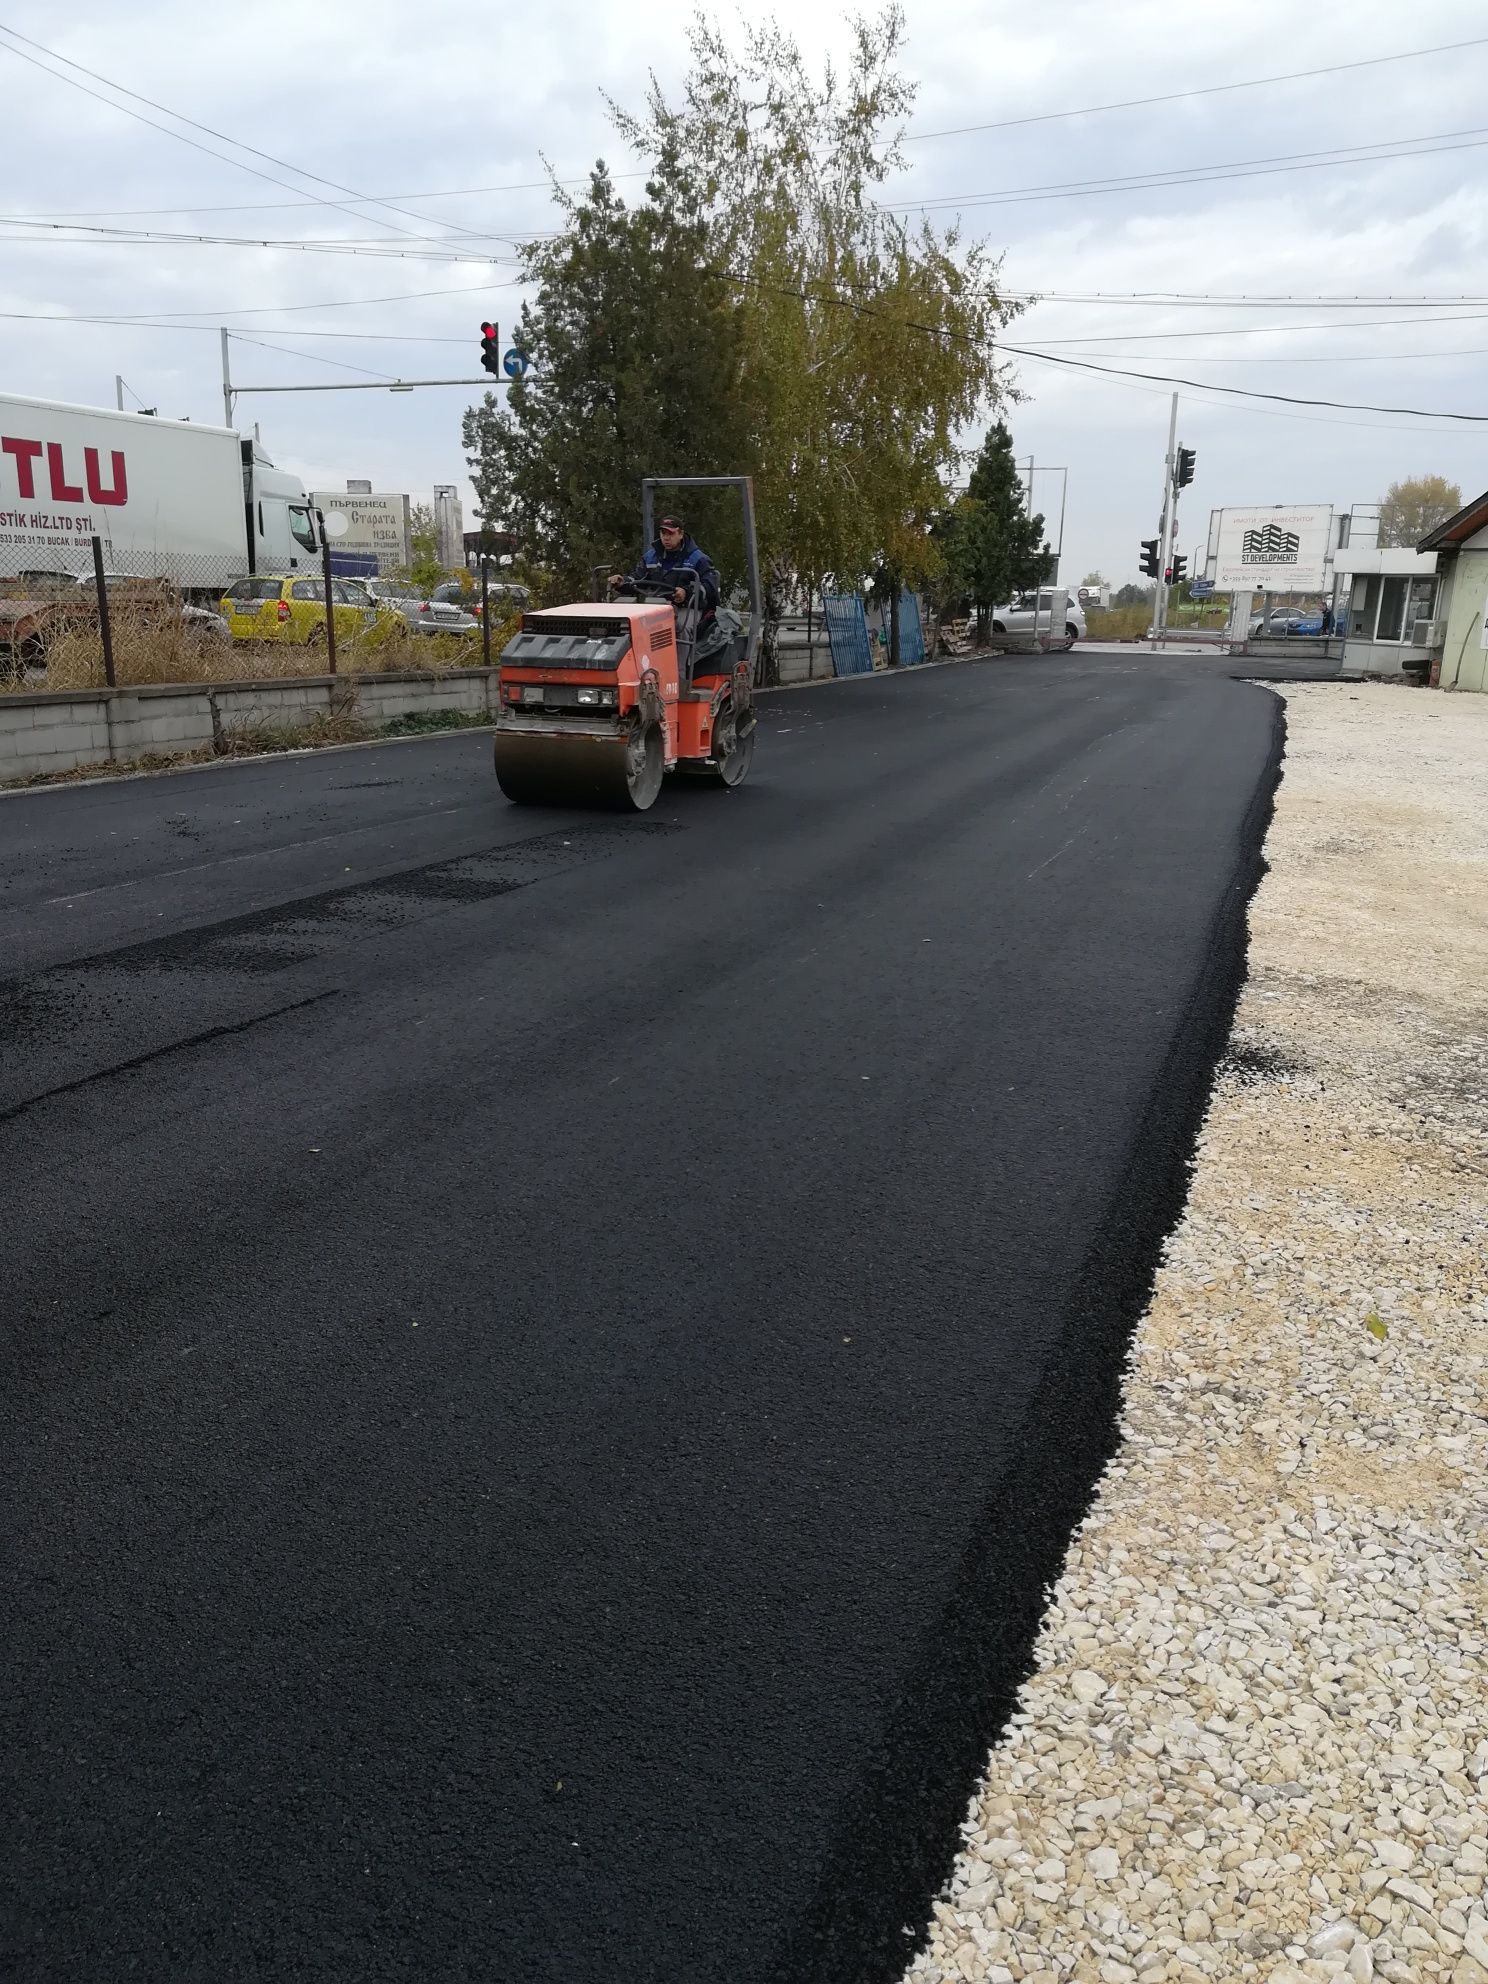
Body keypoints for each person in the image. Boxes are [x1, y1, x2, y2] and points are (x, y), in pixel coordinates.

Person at [610, 514, 720, 624]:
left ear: (681, 534)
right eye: (663, 533)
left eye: (671, 533)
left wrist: (686, 593)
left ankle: (681, 642)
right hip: (656, 607)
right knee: (632, 622)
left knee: (681, 626)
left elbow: (709, 586)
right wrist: (622, 582)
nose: (666, 538)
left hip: (687, 607)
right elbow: (637, 579)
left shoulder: (698, 559)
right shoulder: (650, 557)